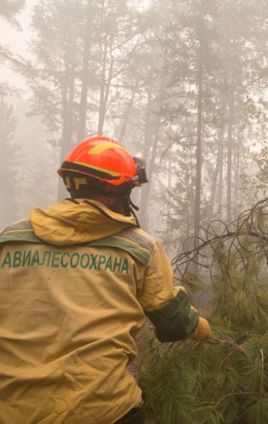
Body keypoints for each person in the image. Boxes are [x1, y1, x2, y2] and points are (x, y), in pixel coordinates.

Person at [0, 136, 212, 424]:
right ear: (115, 192)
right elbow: (173, 321)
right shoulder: (140, 247)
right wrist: (202, 329)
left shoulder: (11, 239)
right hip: (104, 409)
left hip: (13, 409)